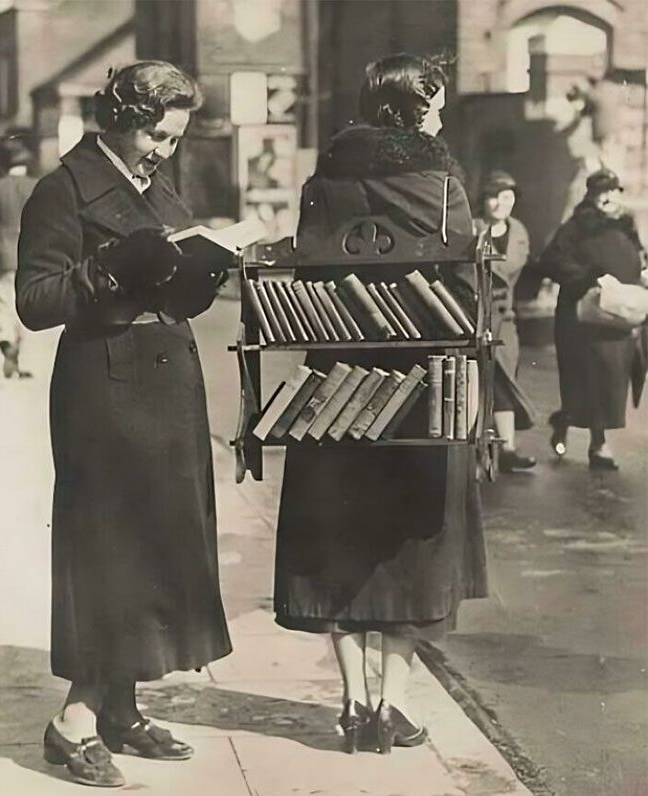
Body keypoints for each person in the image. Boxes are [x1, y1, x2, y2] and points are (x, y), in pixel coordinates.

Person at [16, 61, 232, 788]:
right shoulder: (62, 189)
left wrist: (201, 275)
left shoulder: (158, 187)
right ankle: (73, 719)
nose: (163, 151)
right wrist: (108, 267)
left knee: (159, 542)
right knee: (106, 551)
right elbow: (35, 300)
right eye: (155, 136)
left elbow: (169, 279)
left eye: (173, 140)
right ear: (119, 118)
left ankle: (122, 706)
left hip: (167, 389)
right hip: (105, 393)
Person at [273, 53, 489, 755]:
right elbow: (465, 285)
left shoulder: (324, 179)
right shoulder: (442, 183)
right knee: (415, 550)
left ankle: (352, 702)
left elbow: (307, 263)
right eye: (437, 105)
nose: (444, 115)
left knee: (338, 542)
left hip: (335, 388)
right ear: (412, 110)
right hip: (422, 387)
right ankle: (392, 706)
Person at [539, 168, 646, 470]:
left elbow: (638, 258)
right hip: (583, 317)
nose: (609, 197)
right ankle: (594, 442)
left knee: (612, 380)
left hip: (619, 315)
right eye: (602, 192)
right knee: (590, 379)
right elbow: (551, 261)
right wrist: (588, 279)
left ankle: (582, 430)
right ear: (591, 194)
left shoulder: (625, 224)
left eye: (613, 191)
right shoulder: (575, 226)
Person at [475, 171, 536, 473]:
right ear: (484, 199)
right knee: (478, 380)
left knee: (506, 383)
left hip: (505, 318)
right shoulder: (473, 229)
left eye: (508, 197)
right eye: (494, 196)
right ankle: (477, 448)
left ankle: (508, 447)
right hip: (475, 315)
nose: (500, 203)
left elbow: (513, 270)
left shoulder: (519, 231)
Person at [0, 134, 37, 379]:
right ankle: (18, 346)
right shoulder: (37, 186)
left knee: (3, 302)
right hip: (30, 255)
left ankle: (6, 340)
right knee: (25, 304)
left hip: (2, 254)